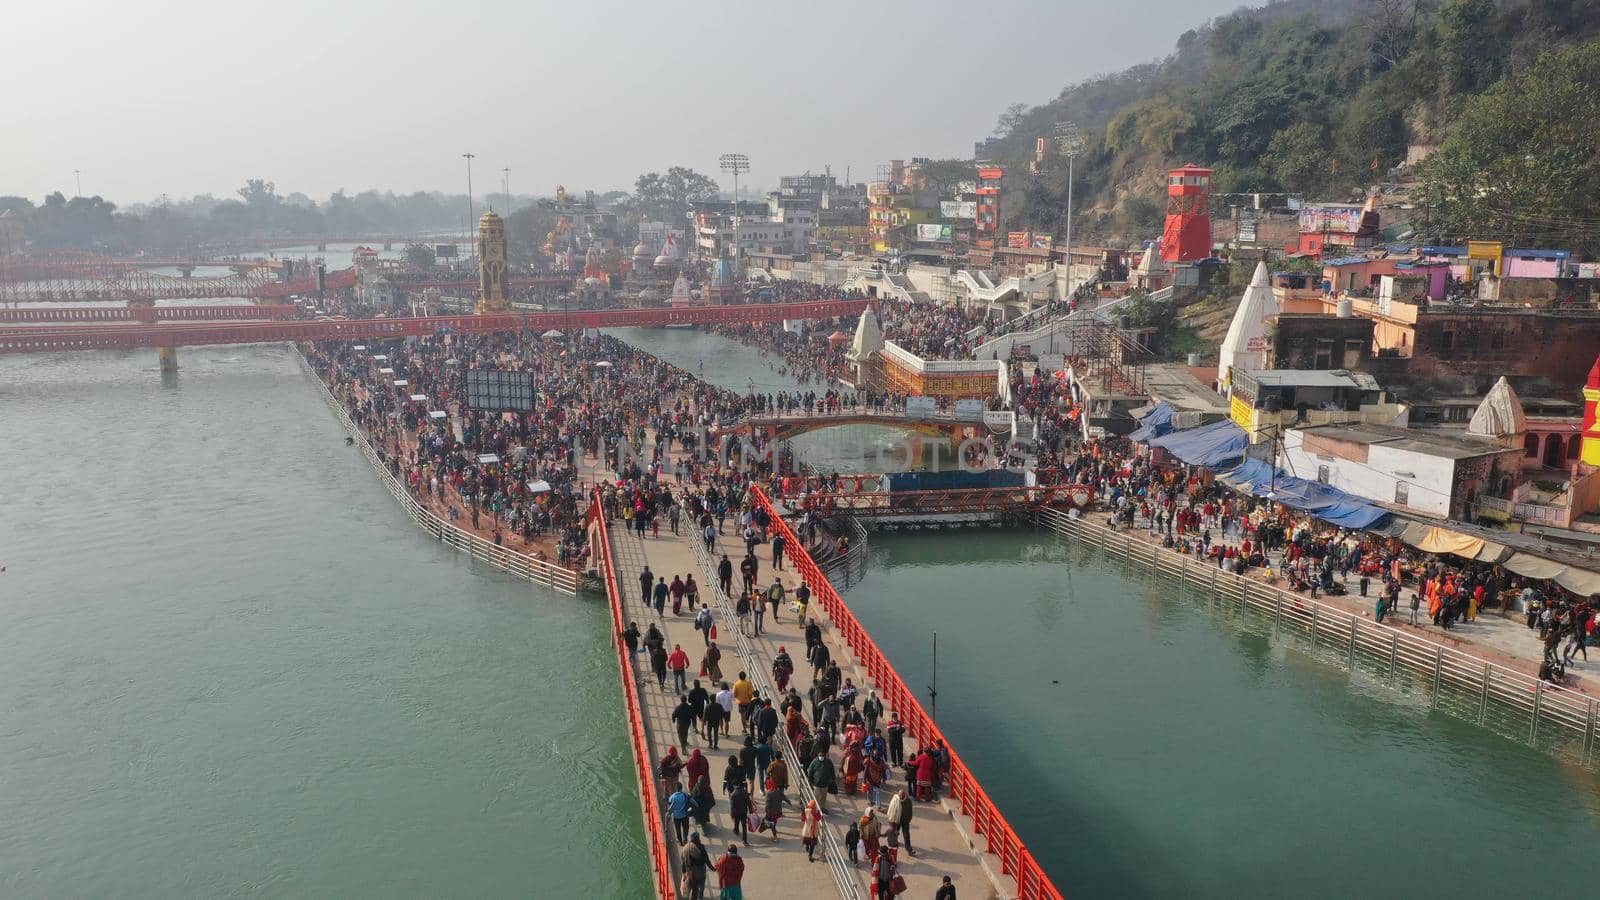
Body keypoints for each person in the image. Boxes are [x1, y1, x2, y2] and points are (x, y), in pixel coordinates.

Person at [679, 832, 710, 900]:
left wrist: (684, 872)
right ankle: (700, 896)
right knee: (701, 884)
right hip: (700, 871)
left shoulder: (687, 848)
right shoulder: (701, 847)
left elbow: (684, 861)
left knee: (694, 887)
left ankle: (694, 897)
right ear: (698, 838)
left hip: (690, 872)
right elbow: (706, 859)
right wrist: (712, 868)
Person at [888, 788, 914, 855]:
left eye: (902, 795)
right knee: (895, 833)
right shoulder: (895, 800)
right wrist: (891, 821)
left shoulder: (908, 801)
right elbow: (891, 810)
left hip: (905, 821)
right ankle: (894, 844)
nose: (901, 797)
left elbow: (910, 812)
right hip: (897, 821)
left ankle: (909, 849)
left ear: (904, 795)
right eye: (900, 795)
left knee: (906, 835)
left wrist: (908, 820)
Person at [727, 779, 751, 845]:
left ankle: (736, 831)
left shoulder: (733, 794)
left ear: (734, 785)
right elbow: (749, 803)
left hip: (736, 812)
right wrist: (751, 811)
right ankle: (745, 840)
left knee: (736, 822)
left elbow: (732, 806)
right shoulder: (745, 792)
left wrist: (732, 814)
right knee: (744, 826)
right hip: (744, 811)